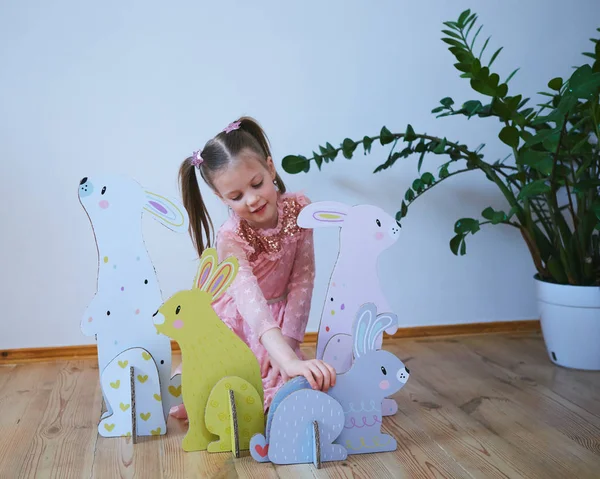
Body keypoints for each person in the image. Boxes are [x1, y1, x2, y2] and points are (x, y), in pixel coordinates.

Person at [170, 116, 336, 418]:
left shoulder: (299, 210)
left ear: (270, 168)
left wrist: (287, 347)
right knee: (247, 383)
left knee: (287, 378)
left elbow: (302, 280)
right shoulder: (231, 237)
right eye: (236, 197)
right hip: (242, 321)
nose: (252, 199)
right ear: (222, 198)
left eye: (257, 184)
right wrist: (281, 355)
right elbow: (250, 302)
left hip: (281, 321)